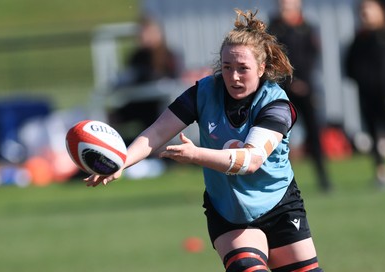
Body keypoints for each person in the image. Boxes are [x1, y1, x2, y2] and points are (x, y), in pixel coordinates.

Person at [85, 8, 323, 271]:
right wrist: (121, 161)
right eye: (227, 67)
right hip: (229, 211)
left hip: (278, 204)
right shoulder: (204, 92)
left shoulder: (275, 104)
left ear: (262, 67)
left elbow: (250, 160)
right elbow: (155, 133)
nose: (233, 77)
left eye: (243, 69)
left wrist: (196, 155)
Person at [268, 0, 332, 192]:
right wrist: (290, 82)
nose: (285, 10)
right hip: (283, 89)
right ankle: (279, 182)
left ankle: (323, 178)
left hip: (307, 88)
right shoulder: (274, 30)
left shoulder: (307, 28)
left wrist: (304, 82)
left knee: (314, 133)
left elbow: (313, 57)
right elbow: (273, 60)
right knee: (277, 134)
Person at [109, 15, 182, 144]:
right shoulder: (137, 56)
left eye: (146, 33)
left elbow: (174, 79)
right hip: (139, 102)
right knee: (112, 116)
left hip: (161, 104)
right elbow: (130, 78)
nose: (142, 37)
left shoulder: (168, 55)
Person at [345, 0, 385, 187]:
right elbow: (349, 66)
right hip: (368, 95)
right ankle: (381, 171)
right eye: (363, 10)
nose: (366, 13)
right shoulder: (360, 38)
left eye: (370, 9)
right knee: (373, 132)